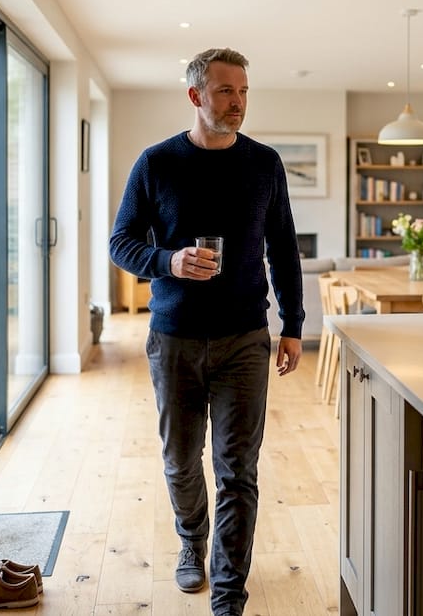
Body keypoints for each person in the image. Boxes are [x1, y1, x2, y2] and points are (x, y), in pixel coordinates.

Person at [108, 48, 304, 616]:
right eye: (225, 91)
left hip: (245, 336)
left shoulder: (264, 164)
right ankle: (191, 539)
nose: (237, 101)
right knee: (180, 459)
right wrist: (168, 262)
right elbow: (120, 242)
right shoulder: (157, 163)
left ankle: (228, 595)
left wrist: (293, 324)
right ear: (196, 96)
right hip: (175, 336)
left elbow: (284, 247)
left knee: (238, 470)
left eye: (243, 91)